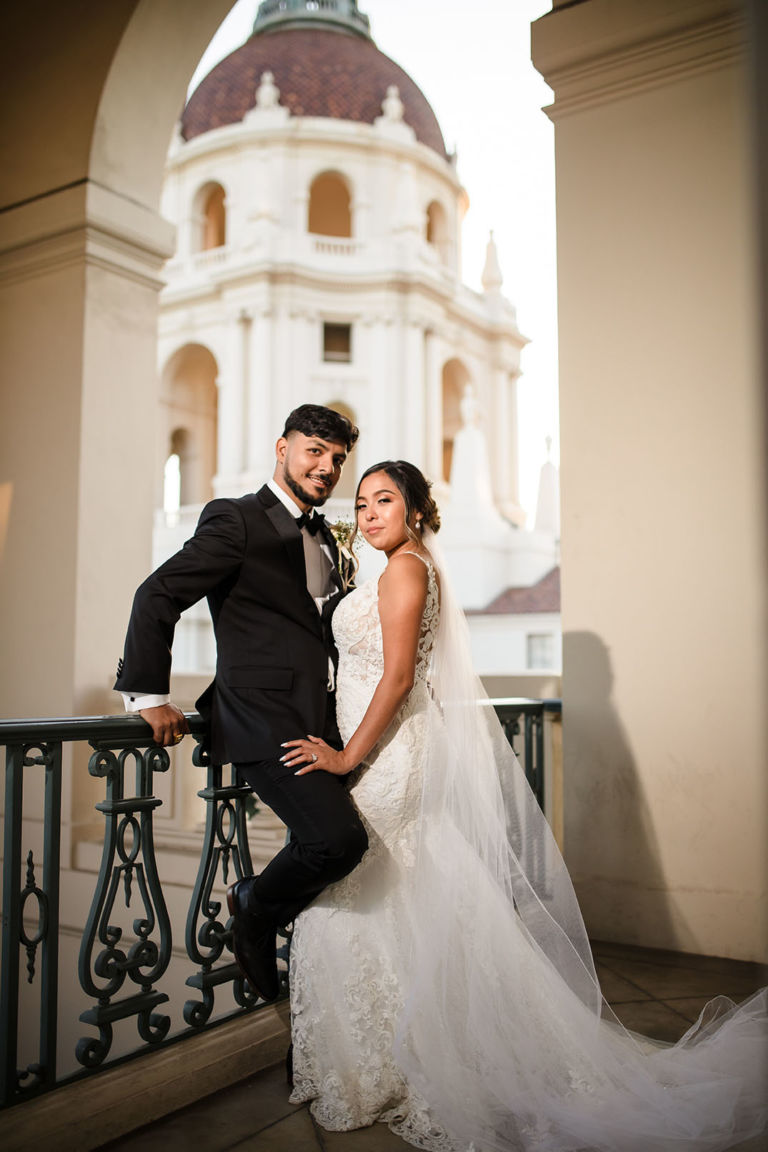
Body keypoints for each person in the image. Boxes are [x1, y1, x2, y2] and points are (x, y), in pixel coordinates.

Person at [281, 460, 768, 1152]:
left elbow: (394, 678)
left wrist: (344, 756)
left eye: (384, 500)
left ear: (416, 511)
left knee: (340, 906)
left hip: (386, 754)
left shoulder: (406, 570)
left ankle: (384, 1067)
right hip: (392, 746)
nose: (368, 513)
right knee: (393, 896)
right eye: (361, 503)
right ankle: (401, 1052)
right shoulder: (399, 568)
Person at [115, 404, 368, 1002]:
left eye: (336, 459)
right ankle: (252, 908)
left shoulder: (327, 536)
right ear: (282, 448)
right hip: (261, 718)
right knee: (337, 842)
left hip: (324, 724)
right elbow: (157, 594)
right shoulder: (235, 518)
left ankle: (322, 1010)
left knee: (330, 850)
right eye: (314, 451)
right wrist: (148, 696)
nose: (326, 467)